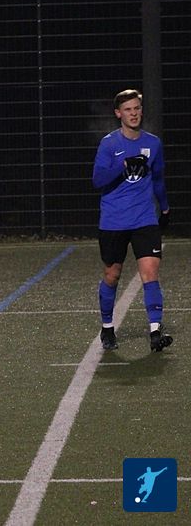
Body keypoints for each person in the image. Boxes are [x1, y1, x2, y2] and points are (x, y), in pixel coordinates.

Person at [92, 89, 171, 352]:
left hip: (144, 218)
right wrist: (123, 165)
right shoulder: (109, 144)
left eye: (137, 108)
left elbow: (158, 179)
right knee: (112, 274)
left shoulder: (153, 143)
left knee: (150, 272)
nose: (134, 113)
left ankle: (155, 331)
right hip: (114, 221)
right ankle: (107, 327)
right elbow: (98, 181)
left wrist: (165, 208)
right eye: (128, 109)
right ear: (118, 114)